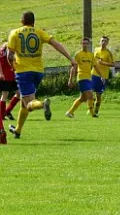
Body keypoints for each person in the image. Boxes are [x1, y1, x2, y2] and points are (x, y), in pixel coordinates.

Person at [7, 11, 77, 139]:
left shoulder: (14, 33)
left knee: (30, 103)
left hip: (23, 72)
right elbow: (55, 44)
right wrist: (70, 58)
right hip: (38, 72)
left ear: (21, 21)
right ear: (34, 22)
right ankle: (17, 131)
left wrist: (13, 67)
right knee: (24, 103)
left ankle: (42, 104)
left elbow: (10, 55)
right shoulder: (39, 32)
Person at [66, 38, 102, 118]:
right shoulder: (78, 54)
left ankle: (70, 112)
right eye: (83, 43)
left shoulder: (91, 55)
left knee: (82, 98)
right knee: (90, 94)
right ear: (81, 44)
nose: (85, 45)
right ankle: (93, 114)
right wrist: (70, 80)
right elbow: (73, 67)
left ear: (89, 45)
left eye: (86, 43)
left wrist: (101, 75)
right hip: (81, 77)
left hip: (89, 78)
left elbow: (96, 66)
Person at [90, 36, 115, 117]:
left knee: (98, 95)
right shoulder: (96, 49)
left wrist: (103, 63)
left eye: (105, 41)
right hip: (93, 73)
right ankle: (91, 109)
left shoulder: (108, 53)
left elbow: (113, 64)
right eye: (102, 41)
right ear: (100, 42)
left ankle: (96, 111)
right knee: (90, 92)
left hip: (103, 76)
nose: (103, 42)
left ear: (107, 43)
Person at [0, 42, 20, 121]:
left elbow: (14, 63)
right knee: (5, 95)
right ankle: (1, 116)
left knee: (19, 94)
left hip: (12, 77)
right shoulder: (2, 53)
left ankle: (7, 111)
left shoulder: (11, 54)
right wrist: (1, 74)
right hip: (5, 77)